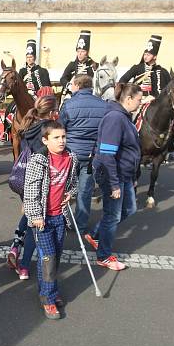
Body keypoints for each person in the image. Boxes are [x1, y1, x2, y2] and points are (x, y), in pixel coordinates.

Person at [23, 120, 79, 320]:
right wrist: (35, 215)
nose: (61, 141)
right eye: (56, 138)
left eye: (63, 137)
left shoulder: (71, 157)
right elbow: (30, 191)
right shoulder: (39, 161)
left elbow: (74, 182)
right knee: (48, 259)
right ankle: (48, 297)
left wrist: (70, 194)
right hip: (43, 220)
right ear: (45, 140)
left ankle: (47, 290)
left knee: (53, 257)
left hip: (59, 217)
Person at [85, 83, 142, 271]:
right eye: (139, 100)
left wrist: (132, 175)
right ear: (128, 99)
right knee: (113, 215)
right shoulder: (116, 118)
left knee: (130, 209)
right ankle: (104, 255)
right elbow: (107, 154)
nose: (140, 103)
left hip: (124, 173)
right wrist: (114, 184)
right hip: (112, 175)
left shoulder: (125, 117)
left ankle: (95, 234)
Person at [9, 96, 59, 280]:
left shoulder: (27, 126)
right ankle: (23, 265)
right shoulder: (48, 130)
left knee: (29, 215)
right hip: (40, 182)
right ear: (53, 112)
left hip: (23, 179)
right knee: (35, 223)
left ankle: (15, 246)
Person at [59, 74, 107, 241]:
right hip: (90, 155)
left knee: (62, 188)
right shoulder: (103, 105)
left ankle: (60, 221)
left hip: (70, 153)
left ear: (78, 86)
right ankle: (80, 224)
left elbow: (60, 129)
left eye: (72, 84)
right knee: (85, 191)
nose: (70, 87)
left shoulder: (68, 104)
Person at [119, 34, 170, 101]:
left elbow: (170, 89)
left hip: (157, 103)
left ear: (155, 57)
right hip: (139, 102)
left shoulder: (163, 72)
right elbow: (122, 81)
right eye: (145, 54)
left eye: (148, 55)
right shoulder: (137, 68)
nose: (145, 57)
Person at [59, 30, 96, 96]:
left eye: (83, 51)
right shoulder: (72, 64)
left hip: (89, 93)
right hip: (74, 93)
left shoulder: (93, 65)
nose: (80, 53)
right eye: (78, 51)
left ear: (87, 53)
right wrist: (70, 86)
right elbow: (63, 79)